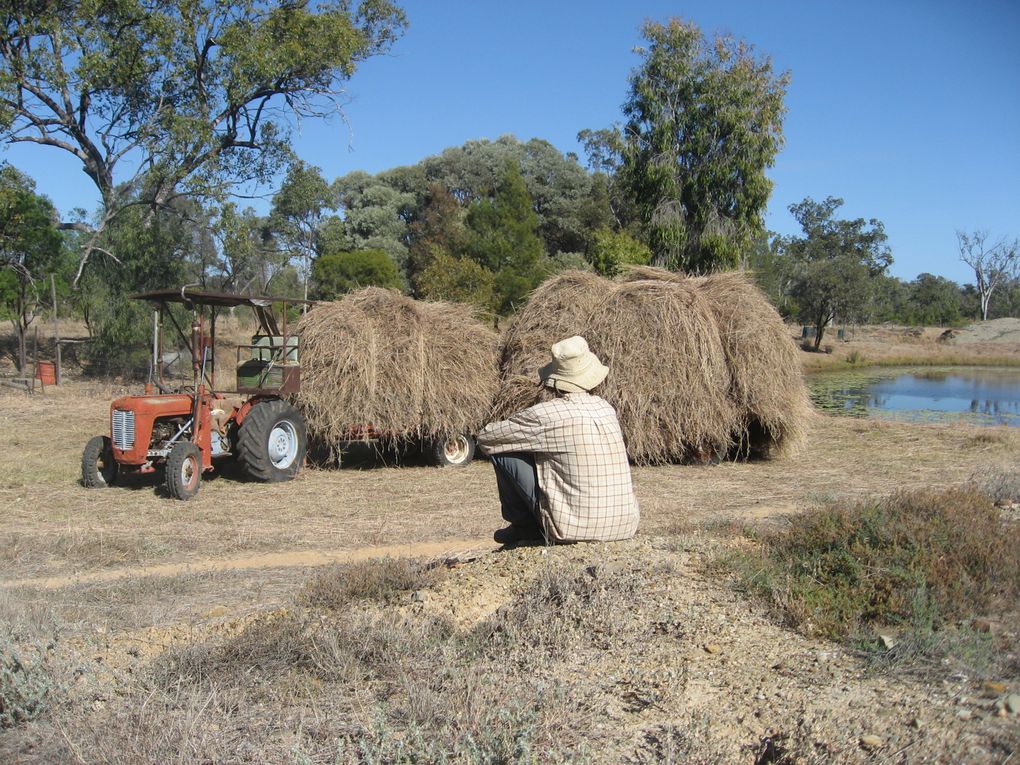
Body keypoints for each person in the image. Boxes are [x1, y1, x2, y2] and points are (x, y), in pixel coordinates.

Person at [476, 335, 639, 545]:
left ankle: (524, 528)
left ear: (555, 381)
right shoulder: (606, 408)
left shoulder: (546, 415)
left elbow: (487, 438)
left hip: (571, 529)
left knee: (504, 452)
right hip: (625, 525)